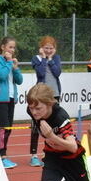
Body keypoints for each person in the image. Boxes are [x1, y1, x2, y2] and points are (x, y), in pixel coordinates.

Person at [0, 36, 23, 168]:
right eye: (10, 47)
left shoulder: (11, 62)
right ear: (3, 47)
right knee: (3, 128)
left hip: (11, 98)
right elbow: (2, 75)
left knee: (8, 128)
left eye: (13, 47)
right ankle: (2, 155)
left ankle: (1, 153)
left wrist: (15, 68)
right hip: (0, 99)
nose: (12, 50)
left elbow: (19, 80)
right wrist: (9, 62)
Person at [29, 36, 61, 167]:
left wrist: (50, 59)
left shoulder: (56, 58)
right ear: (41, 47)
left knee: (54, 125)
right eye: (46, 48)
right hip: (40, 96)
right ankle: (34, 155)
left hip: (55, 95)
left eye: (51, 48)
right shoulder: (36, 58)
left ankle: (51, 153)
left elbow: (57, 72)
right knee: (37, 126)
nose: (48, 50)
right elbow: (40, 73)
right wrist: (43, 58)